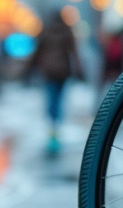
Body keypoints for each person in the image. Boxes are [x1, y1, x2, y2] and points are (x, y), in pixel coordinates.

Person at [27, 11, 83, 154]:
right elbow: (74, 52)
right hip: (63, 71)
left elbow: (36, 51)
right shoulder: (67, 31)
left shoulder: (45, 31)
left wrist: (29, 68)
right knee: (59, 98)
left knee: (51, 98)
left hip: (48, 71)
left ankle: (52, 127)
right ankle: (56, 126)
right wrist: (78, 69)